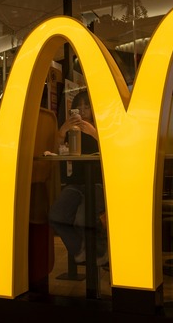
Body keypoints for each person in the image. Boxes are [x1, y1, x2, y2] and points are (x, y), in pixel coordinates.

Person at [48, 90, 108, 266]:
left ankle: (101, 251)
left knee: (83, 219)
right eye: (78, 107)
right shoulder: (69, 129)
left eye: (86, 107)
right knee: (56, 215)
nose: (82, 111)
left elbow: (114, 149)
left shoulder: (102, 126)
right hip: (75, 183)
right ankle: (80, 250)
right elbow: (54, 152)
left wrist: (94, 132)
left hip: (97, 183)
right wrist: (63, 130)